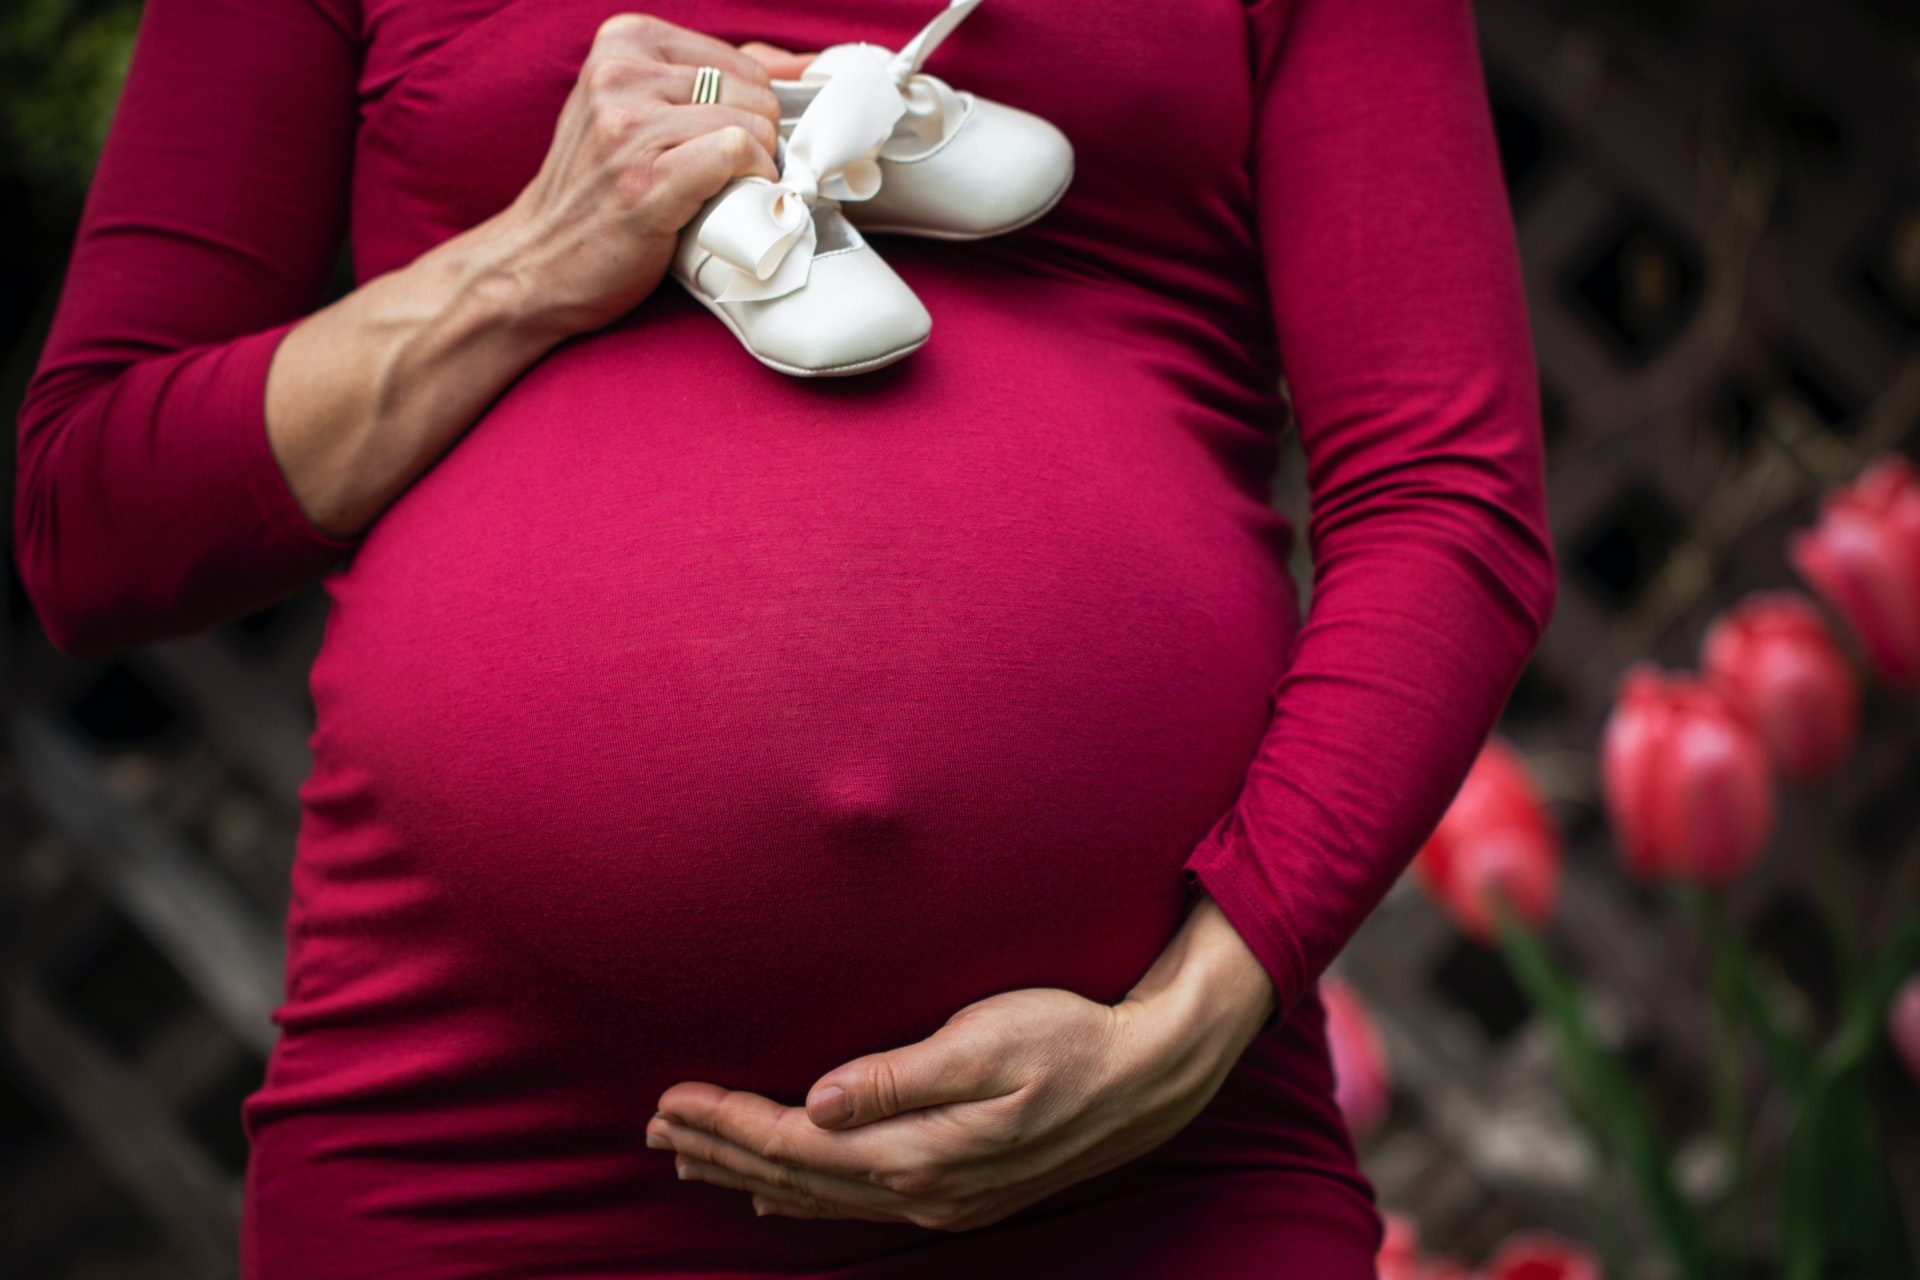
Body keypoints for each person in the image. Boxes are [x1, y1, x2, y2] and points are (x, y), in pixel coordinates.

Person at [12, 1, 1556, 1276]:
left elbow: (1447, 496)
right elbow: (97, 517)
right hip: (478, 1145)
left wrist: (1191, 1022)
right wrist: (532, 258)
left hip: (1145, 1160)